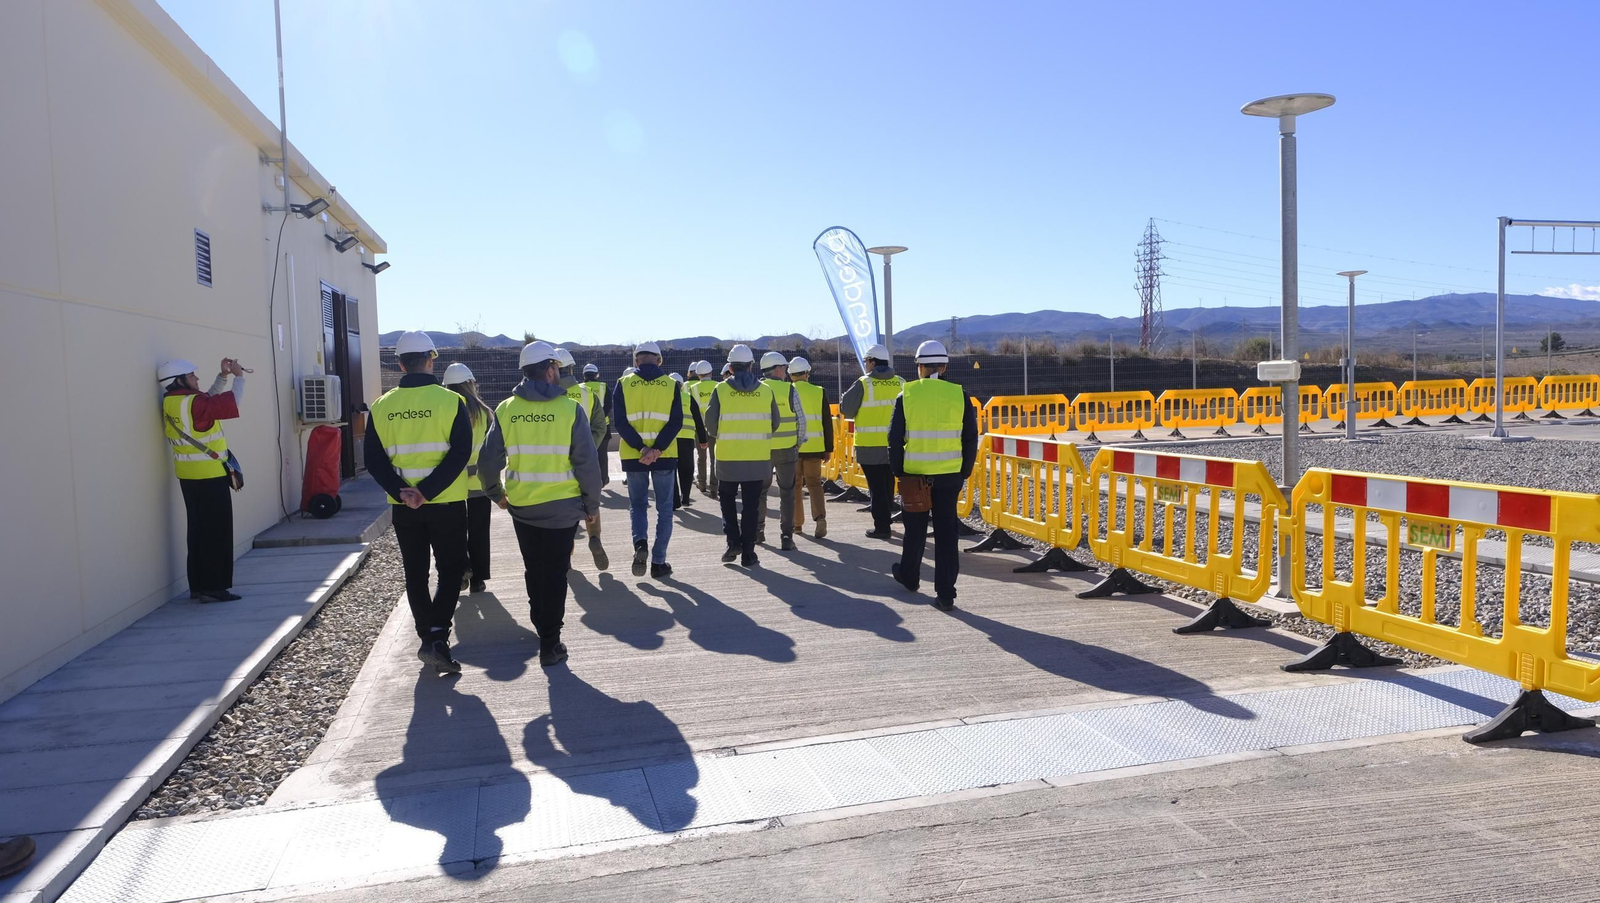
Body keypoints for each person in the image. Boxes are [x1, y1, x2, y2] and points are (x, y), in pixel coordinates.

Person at [478, 342, 603, 667]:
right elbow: (587, 463)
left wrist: (495, 493)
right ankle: (551, 641)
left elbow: (488, 461)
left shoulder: (506, 409)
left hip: (524, 508)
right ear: (549, 370)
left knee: (535, 569)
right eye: (557, 368)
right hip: (563, 509)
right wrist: (591, 505)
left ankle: (542, 628)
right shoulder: (570, 409)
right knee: (557, 572)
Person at [365, 331, 472, 674]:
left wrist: (403, 491)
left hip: (404, 507)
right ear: (430, 359)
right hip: (446, 503)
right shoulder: (452, 401)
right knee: (451, 570)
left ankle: (427, 636)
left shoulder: (381, 406)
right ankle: (437, 635)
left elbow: (373, 459)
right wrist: (427, 490)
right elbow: (460, 453)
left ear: (400, 364)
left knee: (415, 572)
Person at [888, 341, 979, 612]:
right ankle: (946, 594)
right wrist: (965, 470)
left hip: (916, 475)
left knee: (915, 529)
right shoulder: (959, 395)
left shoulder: (907, 395)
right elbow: (970, 436)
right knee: (947, 533)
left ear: (919, 367)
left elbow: (894, 438)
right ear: (944, 367)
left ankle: (909, 575)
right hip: (950, 475)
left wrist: (898, 471)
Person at [159, 356, 246, 603]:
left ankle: (197, 586)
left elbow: (206, 402)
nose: (196, 378)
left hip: (188, 477)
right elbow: (231, 402)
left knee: (197, 532)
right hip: (210, 475)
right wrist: (239, 377)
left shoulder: (173, 401)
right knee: (217, 533)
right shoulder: (194, 403)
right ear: (179, 380)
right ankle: (214, 588)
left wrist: (222, 376)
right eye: (191, 375)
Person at [704, 344, 780, 567]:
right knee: (751, 506)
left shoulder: (720, 390)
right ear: (751, 366)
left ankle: (732, 543)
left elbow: (710, 424)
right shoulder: (766, 391)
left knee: (727, 501)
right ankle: (748, 552)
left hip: (728, 457)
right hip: (757, 457)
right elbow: (775, 423)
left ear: (730, 367)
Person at [612, 342, 683, 578]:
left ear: (636, 361)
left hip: (635, 457)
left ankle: (640, 544)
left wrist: (643, 449)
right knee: (665, 509)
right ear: (659, 360)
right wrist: (657, 449)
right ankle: (658, 562)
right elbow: (675, 422)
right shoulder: (671, 385)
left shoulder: (623, 383)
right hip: (665, 456)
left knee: (638, 505)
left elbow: (620, 423)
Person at [840, 343, 903, 539]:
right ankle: (886, 519)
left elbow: (846, 409)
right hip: (895, 445)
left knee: (876, 488)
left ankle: (882, 527)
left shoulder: (863, 383)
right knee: (888, 484)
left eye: (866, 361)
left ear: (873, 362)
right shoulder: (901, 383)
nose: (865, 365)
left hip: (869, 446)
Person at [441, 363, 494, 593]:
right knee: (479, 530)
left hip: (451, 482)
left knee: (454, 530)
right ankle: (478, 579)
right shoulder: (485, 412)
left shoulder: (445, 409)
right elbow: (492, 449)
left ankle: (462, 569)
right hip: (478, 481)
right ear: (470, 383)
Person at [558, 350, 609, 570]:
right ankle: (594, 536)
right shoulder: (587, 393)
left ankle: (567, 554)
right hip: (587, 461)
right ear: (572, 368)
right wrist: (588, 449)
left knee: (564, 507)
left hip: (559, 462)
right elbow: (600, 426)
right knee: (591, 500)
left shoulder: (548, 396)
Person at [758, 352, 807, 551]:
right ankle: (787, 536)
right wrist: (798, 443)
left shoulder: (758, 389)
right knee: (787, 494)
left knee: (760, 492)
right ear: (777, 369)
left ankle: (758, 531)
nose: (786, 372)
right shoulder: (789, 389)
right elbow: (801, 420)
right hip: (787, 449)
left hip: (762, 450)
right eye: (785, 368)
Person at [788, 356, 833, 538]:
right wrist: (828, 448)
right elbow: (827, 422)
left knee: (795, 486)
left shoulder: (788, 391)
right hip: (815, 446)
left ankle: (797, 524)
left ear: (791, 375)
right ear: (807, 373)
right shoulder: (819, 391)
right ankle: (820, 518)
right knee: (814, 484)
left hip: (793, 447)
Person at [668, 373, 705, 510]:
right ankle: (686, 498)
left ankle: (674, 501)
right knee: (687, 469)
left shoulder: (665, 399)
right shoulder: (688, 398)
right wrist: (703, 439)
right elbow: (698, 420)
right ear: (682, 385)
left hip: (669, 439)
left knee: (671, 469)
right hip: (687, 439)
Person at [688, 360, 720, 500]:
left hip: (699, 428)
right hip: (715, 428)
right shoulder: (718, 386)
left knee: (701, 457)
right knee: (714, 458)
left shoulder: (693, 388)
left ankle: (702, 484)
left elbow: (691, 410)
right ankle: (714, 487)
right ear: (711, 373)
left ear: (698, 374)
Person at [581, 362, 612, 484]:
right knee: (602, 454)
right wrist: (599, 419)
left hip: (584, 426)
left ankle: (589, 481)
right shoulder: (604, 387)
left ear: (584, 375)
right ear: (597, 375)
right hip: (603, 426)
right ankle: (603, 479)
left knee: (586, 455)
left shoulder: (579, 388)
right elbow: (609, 405)